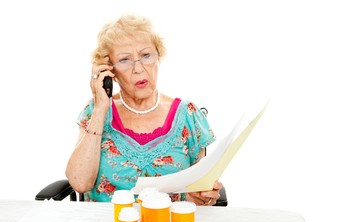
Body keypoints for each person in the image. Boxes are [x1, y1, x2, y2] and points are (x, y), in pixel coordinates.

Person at [65, 14, 223, 206]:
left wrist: (203, 196)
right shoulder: (96, 111)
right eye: (125, 60)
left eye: (146, 55)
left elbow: (200, 192)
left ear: (158, 56)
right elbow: (80, 183)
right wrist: (100, 108)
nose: (138, 68)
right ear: (109, 70)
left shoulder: (188, 114)